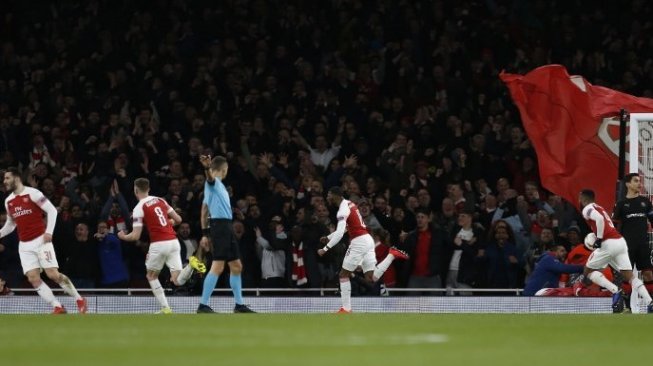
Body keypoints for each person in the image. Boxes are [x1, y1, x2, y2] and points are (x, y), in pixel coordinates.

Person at [0, 167, 87, 314]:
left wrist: (49, 232)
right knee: (33, 279)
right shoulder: (8, 201)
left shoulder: (33, 193)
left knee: (53, 274)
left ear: (17, 178)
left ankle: (79, 299)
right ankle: (57, 306)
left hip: (41, 241)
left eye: (7, 178)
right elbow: (10, 224)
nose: (4, 181)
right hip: (24, 245)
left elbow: (52, 210)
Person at [118, 178, 206, 313]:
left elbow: (135, 236)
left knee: (151, 276)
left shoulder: (139, 207)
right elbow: (179, 220)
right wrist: (165, 223)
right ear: (148, 189)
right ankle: (190, 266)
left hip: (159, 244)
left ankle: (165, 308)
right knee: (177, 281)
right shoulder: (161, 200)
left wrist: (123, 236)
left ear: (135, 190)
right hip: (173, 242)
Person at [317, 186, 409, 313]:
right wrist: (328, 237)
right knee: (371, 278)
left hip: (359, 242)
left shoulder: (342, 210)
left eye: (328, 194)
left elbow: (339, 233)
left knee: (343, 275)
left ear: (335, 195)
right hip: (367, 239)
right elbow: (346, 229)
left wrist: (325, 248)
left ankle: (346, 308)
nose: (327, 197)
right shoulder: (350, 205)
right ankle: (391, 255)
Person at [196, 155, 255, 313]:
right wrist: (207, 168)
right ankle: (203, 304)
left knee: (236, 266)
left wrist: (204, 233)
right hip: (220, 227)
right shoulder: (213, 183)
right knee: (218, 266)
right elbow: (209, 178)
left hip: (225, 227)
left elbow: (203, 212)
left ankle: (239, 305)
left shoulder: (218, 186)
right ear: (223, 169)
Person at [577, 189, 653, 313]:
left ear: (582, 198)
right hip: (620, 242)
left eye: (579, 198)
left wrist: (599, 239)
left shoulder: (587, 209)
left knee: (588, 270)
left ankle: (614, 290)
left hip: (608, 243)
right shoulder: (598, 206)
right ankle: (650, 302)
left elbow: (600, 219)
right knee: (630, 275)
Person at [612, 173, 653, 282]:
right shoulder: (620, 204)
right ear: (628, 184)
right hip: (626, 246)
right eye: (636, 181)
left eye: (640, 181)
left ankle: (649, 299)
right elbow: (614, 226)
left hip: (643, 245)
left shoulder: (646, 202)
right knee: (626, 277)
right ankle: (626, 299)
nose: (639, 183)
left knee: (648, 275)